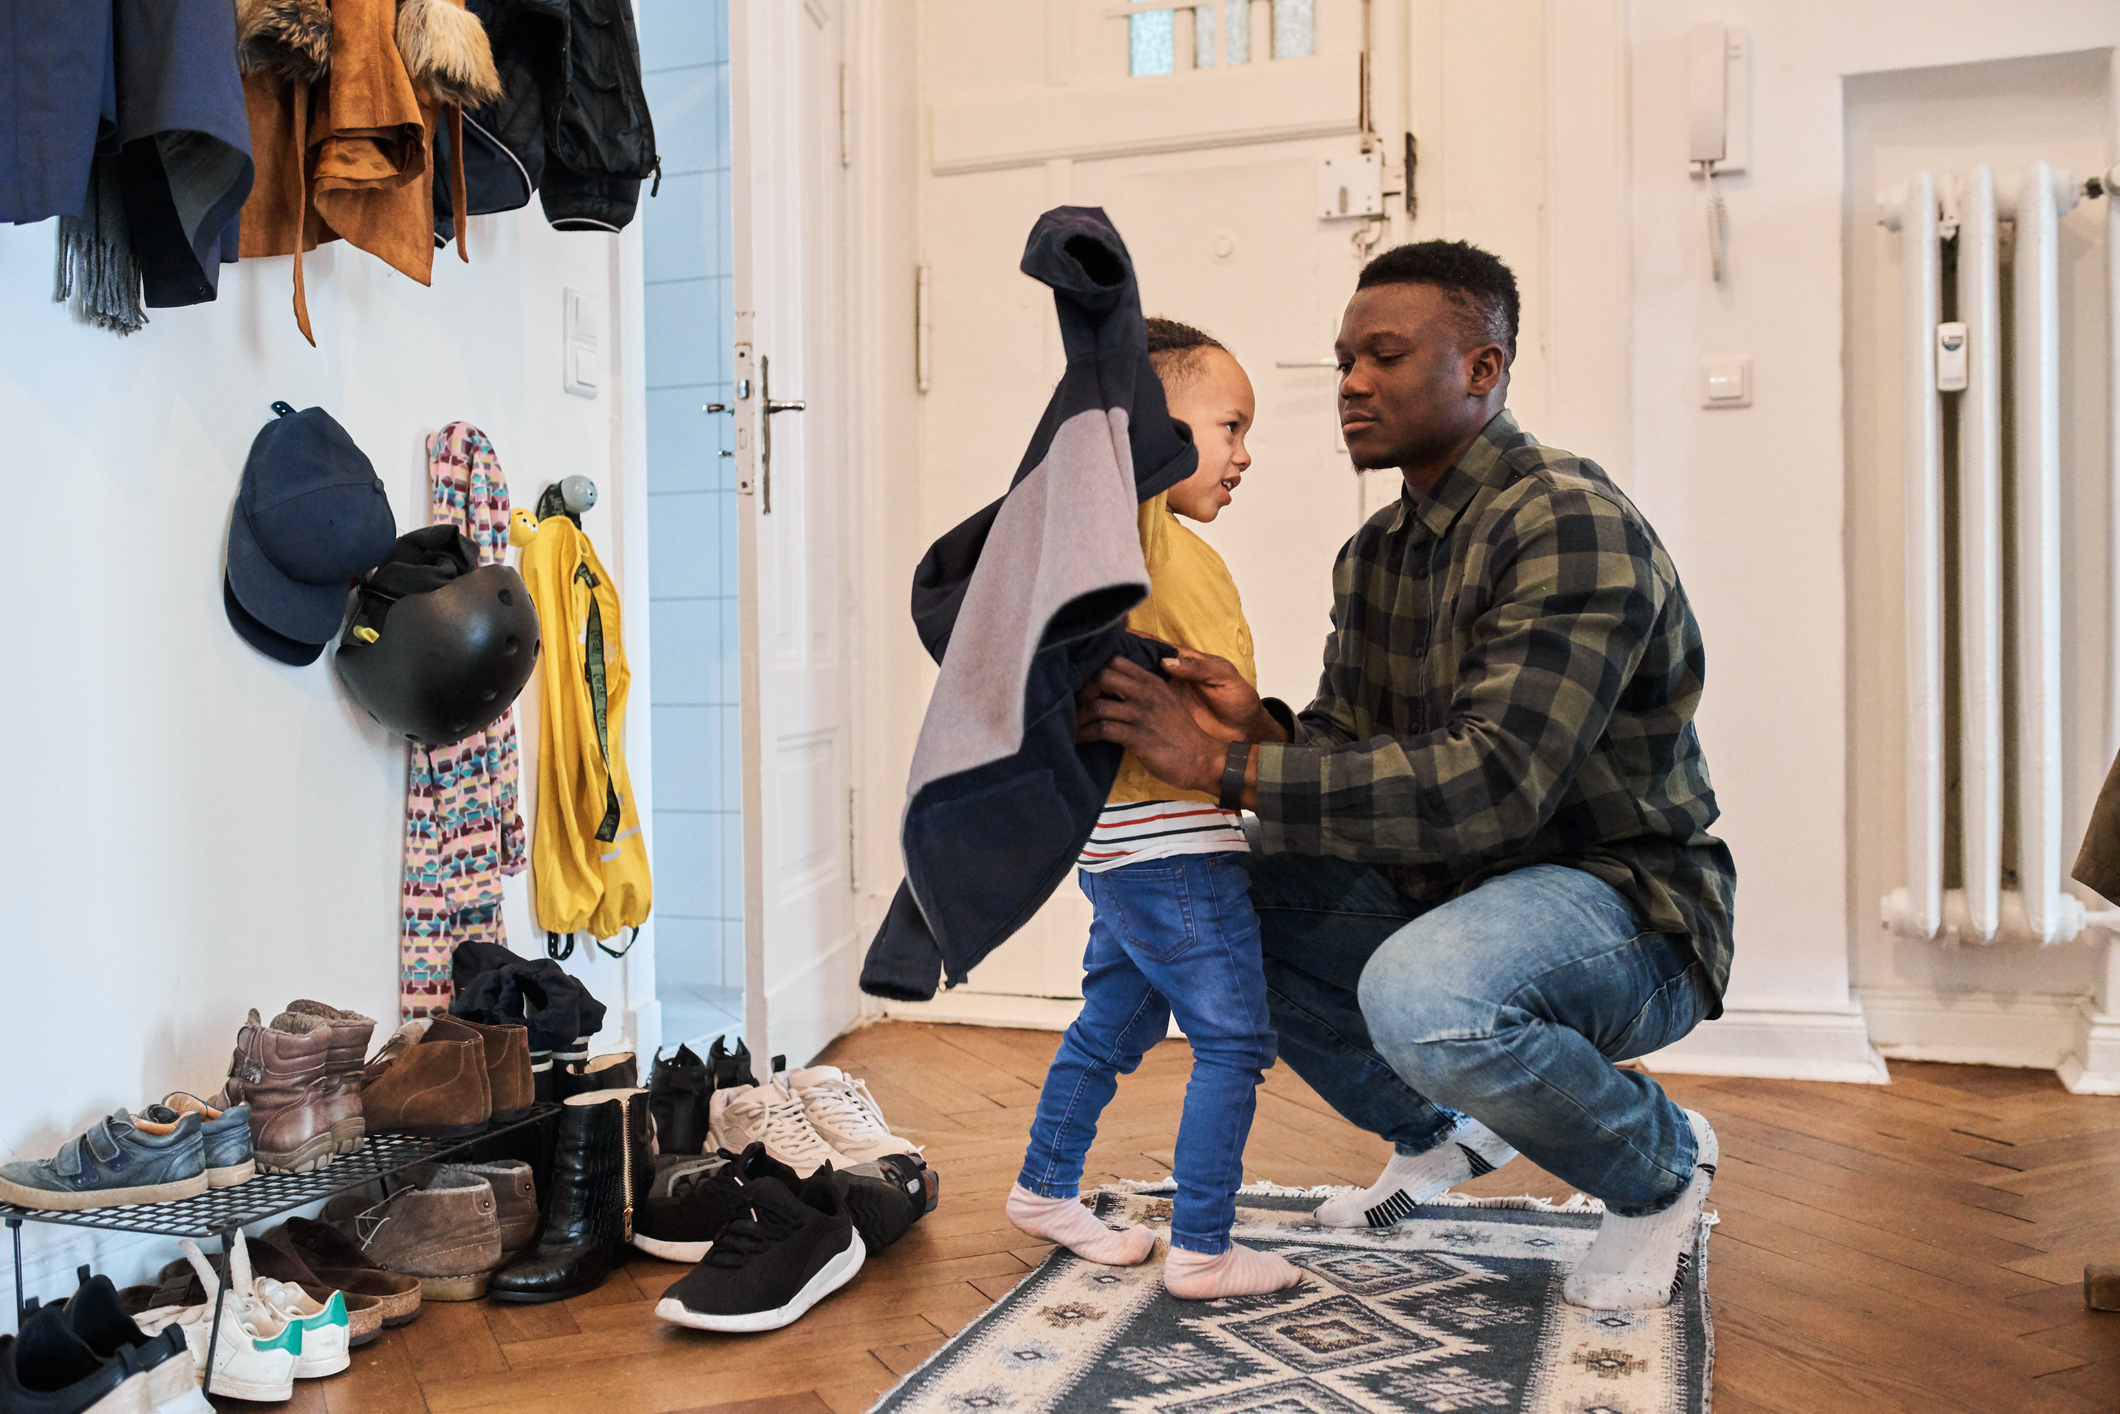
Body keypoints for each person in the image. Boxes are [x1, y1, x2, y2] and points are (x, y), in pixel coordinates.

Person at [1075, 241, 1737, 1311]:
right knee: (1216, 892)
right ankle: (1439, 1132)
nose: (1350, 383)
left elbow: (1493, 782)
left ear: (1482, 368)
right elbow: (1347, 746)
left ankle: (1658, 1165)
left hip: (1627, 910)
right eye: (1344, 360)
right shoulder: (1376, 552)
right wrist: (1262, 728)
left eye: (1383, 356)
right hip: (1450, 893)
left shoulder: (1567, 520)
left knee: (1428, 993)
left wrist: (1222, 763)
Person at [1006, 319, 1305, 1301]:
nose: (1245, 453)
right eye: (1229, 426)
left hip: (1137, 847)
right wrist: (1107, 323)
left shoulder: (1188, 554)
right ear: (1155, 431)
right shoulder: (1131, 533)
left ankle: (1042, 1189)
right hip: (1170, 849)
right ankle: (1204, 1250)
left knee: (1113, 1024)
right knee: (1234, 1039)